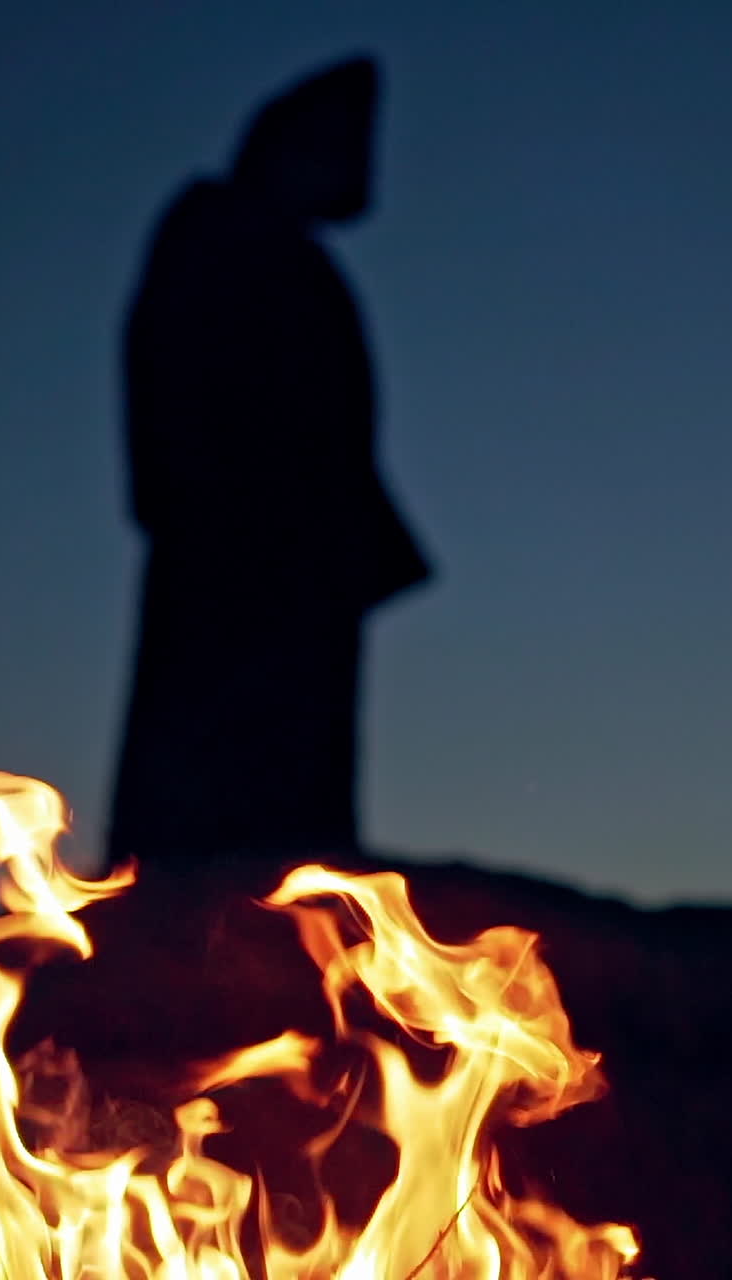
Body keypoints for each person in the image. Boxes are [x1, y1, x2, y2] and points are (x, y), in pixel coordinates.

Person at [107, 55, 430, 869]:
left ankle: (293, 887)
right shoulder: (215, 227)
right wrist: (196, 500)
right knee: (211, 745)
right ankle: (187, 897)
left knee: (299, 757)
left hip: (306, 553)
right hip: (234, 541)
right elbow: (165, 368)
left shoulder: (304, 263)